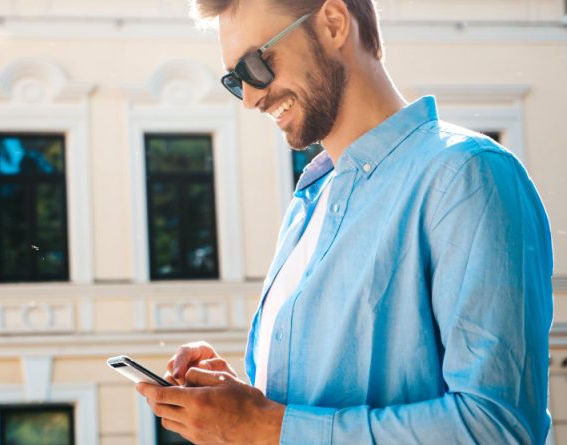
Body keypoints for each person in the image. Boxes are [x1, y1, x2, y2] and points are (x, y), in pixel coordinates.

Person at [135, 0, 554, 443]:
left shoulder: (466, 176)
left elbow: (497, 429)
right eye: (235, 80)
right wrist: (240, 406)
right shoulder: (309, 203)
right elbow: (302, 421)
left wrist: (265, 426)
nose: (252, 99)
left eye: (256, 64)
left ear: (334, 24)